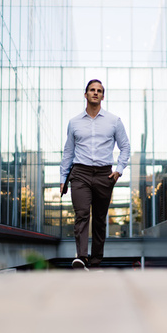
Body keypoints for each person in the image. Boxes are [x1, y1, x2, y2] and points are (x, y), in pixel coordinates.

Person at [60, 79, 130, 270]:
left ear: (102, 96)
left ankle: (96, 260)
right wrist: (62, 179)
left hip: (104, 174)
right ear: (86, 94)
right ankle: (81, 257)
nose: (95, 93)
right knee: (82, 214)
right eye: (92, 90)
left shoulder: (114, 121)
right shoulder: (74, 123)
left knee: (99, 219)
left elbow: (125, 148)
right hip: (80, 173)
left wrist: (119, 171)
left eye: (99, 90)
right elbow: (68, 152)